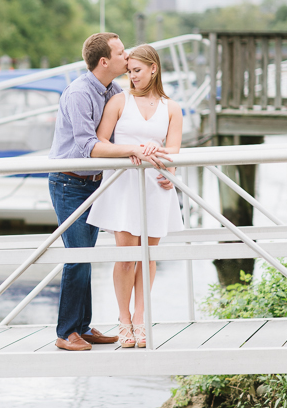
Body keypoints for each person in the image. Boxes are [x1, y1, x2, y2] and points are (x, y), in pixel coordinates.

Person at [48, 33, 168, 351]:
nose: (126, 56)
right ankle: (66, 332)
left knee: (89, 256)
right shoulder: (78, 94)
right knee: (78, 257)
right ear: (105, 61)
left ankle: (82, 326)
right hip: (69, 182)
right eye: (120, 52)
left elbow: (126, 126)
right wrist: (136, 150)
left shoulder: (114, 90)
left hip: (96, 182)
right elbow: (89, 146)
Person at [87, 44, 183, 348]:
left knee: (148, 256)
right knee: (126, 255)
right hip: (124, 185)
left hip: (155, 186)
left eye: (137, 71)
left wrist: (171, 174)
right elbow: (101, 140)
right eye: (129, 71)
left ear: (153, 69)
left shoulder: (172, 108)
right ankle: (124, 320)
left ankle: (141, 319)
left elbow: (174, 152)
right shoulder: (118, 101)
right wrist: (133, 151)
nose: (132, 77)